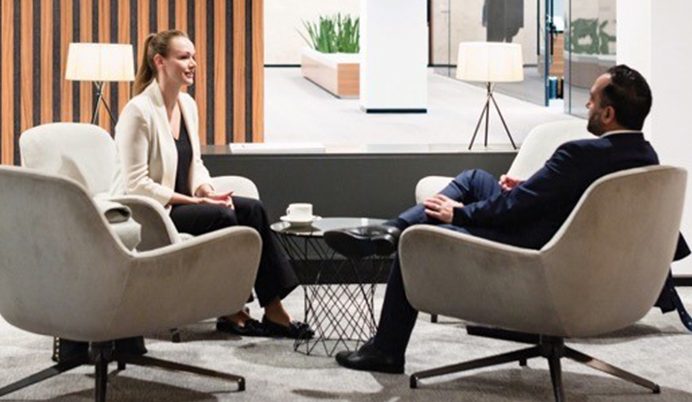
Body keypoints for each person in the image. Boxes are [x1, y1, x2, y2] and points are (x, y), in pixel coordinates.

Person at [329, 64, 690, 373]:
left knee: (421, 233)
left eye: (592, 100)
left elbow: (513, 211)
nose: (587, 105)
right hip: (570, 244)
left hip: (536, 247)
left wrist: (459, 213)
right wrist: (529, 186)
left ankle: (387, 348)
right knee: (474, 179)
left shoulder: (579, 154)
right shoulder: (646, 158)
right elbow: (580, 203)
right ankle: (390, 229)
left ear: (608, 114)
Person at [115, 30, 312, 339]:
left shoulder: (187, 105)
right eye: (183, 57)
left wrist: (205, 190)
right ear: (159, 62)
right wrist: (195, 202)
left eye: (193, 56)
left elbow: (195, 163)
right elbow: (136, 184)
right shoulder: (138, 111)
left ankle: (275, 311)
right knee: (222, 216)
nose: (192, 63)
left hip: (184, 203)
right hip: (153, 212)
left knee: (253, 210)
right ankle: (232, 309)